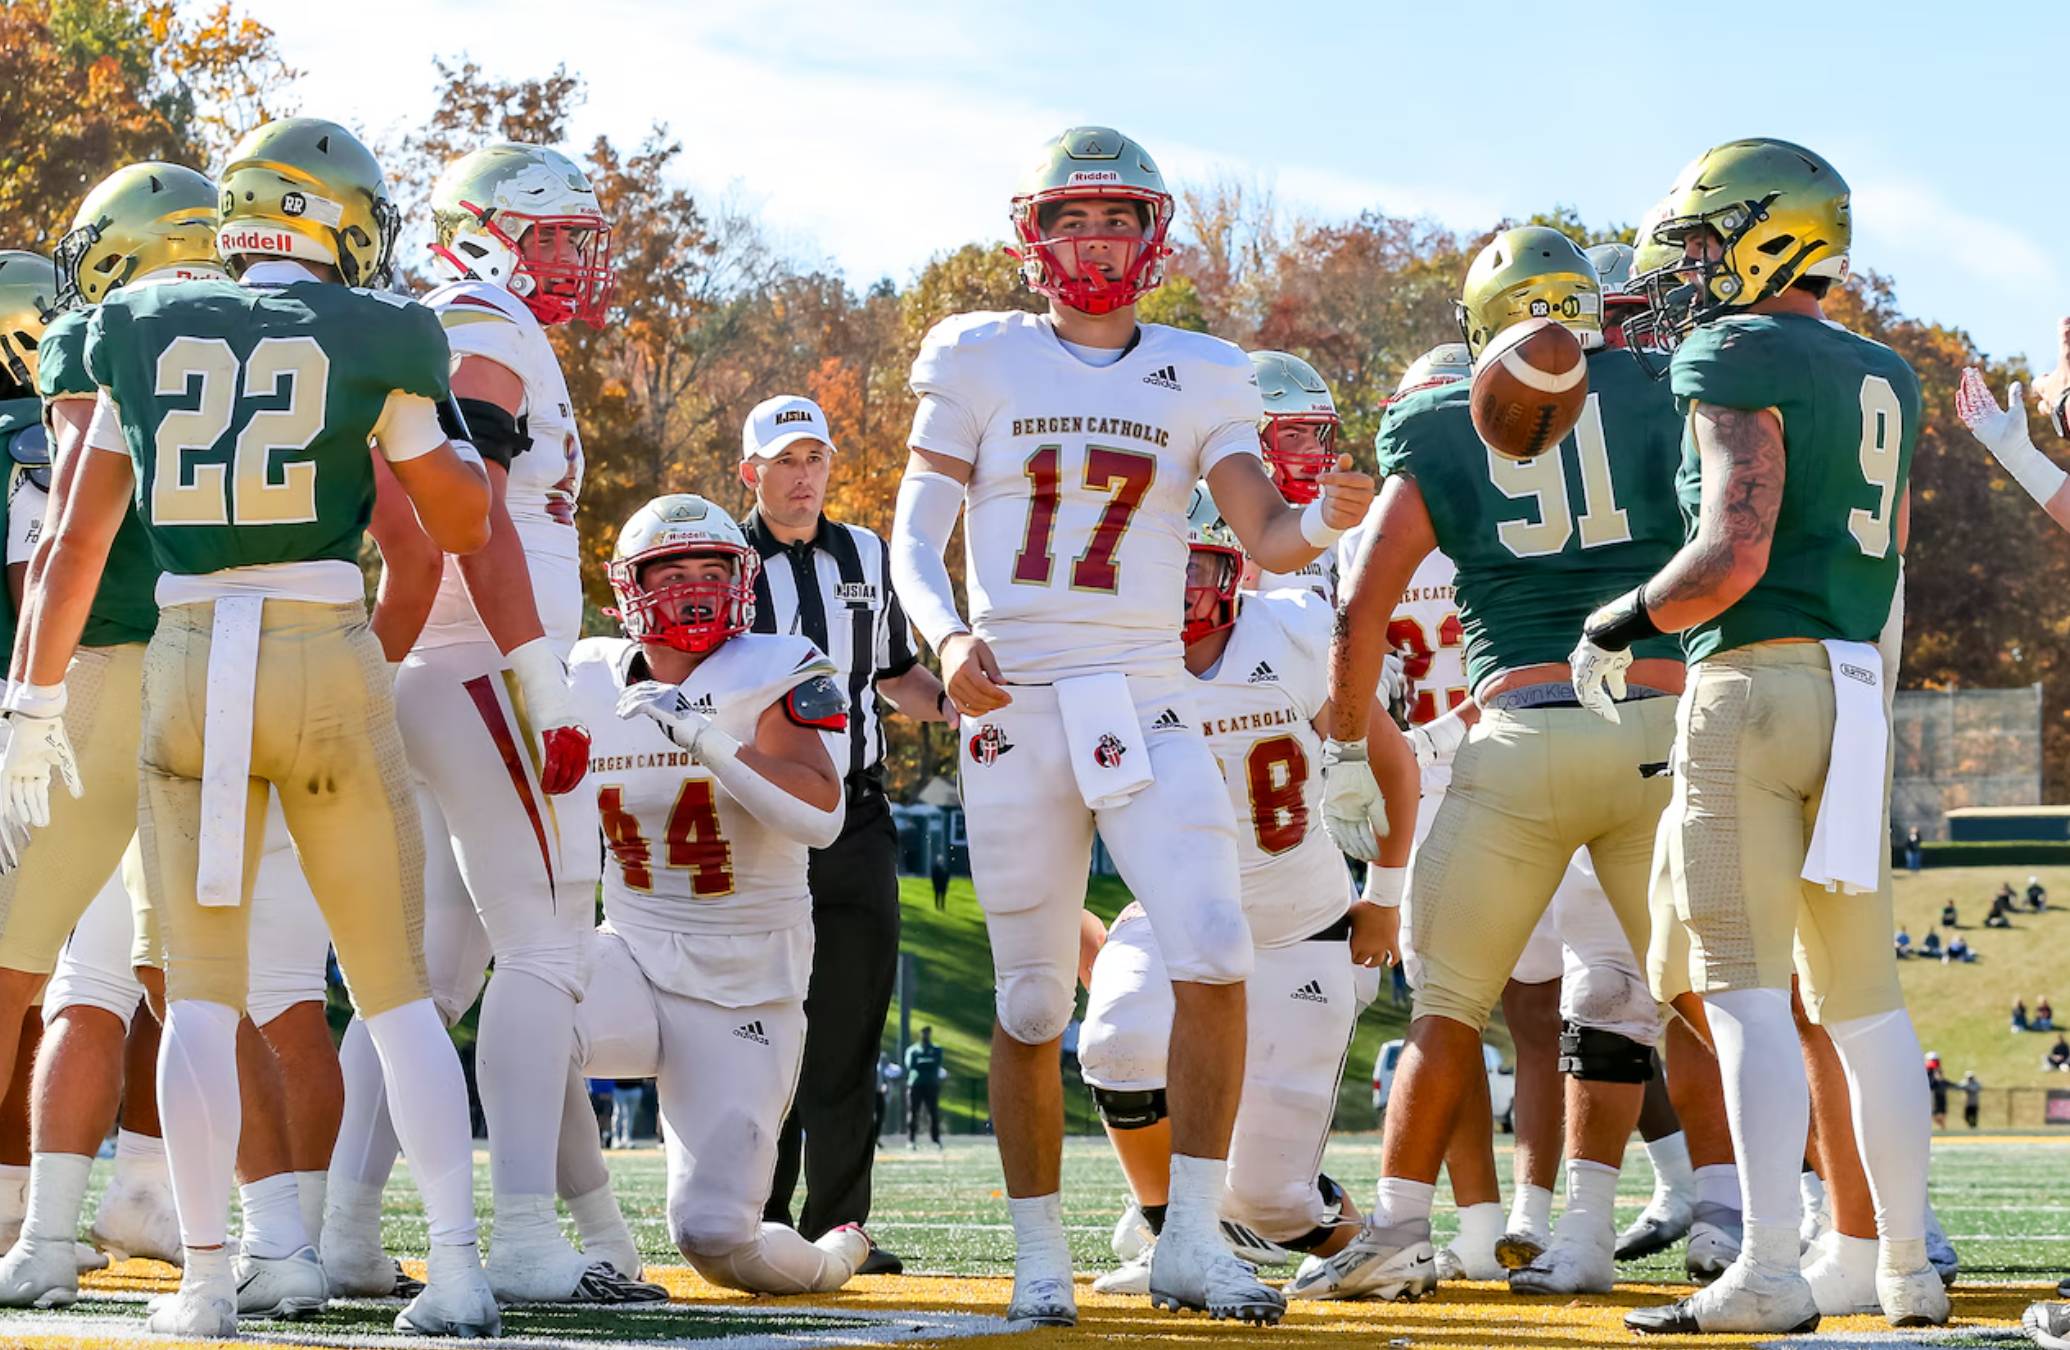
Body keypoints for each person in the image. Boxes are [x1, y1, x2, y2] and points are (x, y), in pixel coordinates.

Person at [0, 117, 501, 1337]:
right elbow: (456, 525)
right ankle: (444, 1268)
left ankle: (203, 1278)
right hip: (323, 654)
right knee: (377, 995)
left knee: (173, 994)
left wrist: (30, 701)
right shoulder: (382, 329)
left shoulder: (127, 331)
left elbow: (70, 547)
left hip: (178, 670)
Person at [889, 124, 1371, 1327]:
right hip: (1021, 694)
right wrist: (948, 638)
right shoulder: (981, 354)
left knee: (1213, 946)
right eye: (1074, 219)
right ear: (1034, 232)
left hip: (1148, 690)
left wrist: (1328, 524)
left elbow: (1264, 540)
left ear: (1153, 236)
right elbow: (913, 533)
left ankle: (1190, 1243)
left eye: (1116, 220)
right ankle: (1040, 1256)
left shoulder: (1207, 370)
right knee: (1033, 1003)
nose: (1094, 241)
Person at [1574, 138, 1945, 1332]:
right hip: (1852, 681)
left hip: (1753, 683)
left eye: (1701, 239)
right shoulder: (1886, 366)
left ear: (1765, 233)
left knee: (1741, 990)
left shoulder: (1732, 347)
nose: (1687, 266)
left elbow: (1735, 545)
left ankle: (1772, 1268)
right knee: (1864, 1001)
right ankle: (1897, 1268)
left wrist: (1620, 618)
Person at [1313, 226, 1686, 1304]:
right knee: (1702, 998)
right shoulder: (1665, 389)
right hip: (1657, 723)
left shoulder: (1435, 422)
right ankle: (1725, 1218)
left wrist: (1347, 741)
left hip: (1519, 726)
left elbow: (1361, 605)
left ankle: (1393, 1228)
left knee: (1447, 1004)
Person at [321, 140, 655, 1307]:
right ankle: (519, 1232)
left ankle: (345, 1228)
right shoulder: (487, 329)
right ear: (483, 228)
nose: (571, 258)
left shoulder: (464, 318)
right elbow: (469, 518)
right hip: (485, 674)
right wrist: (534, 675)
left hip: (448, 675)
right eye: (551, 234)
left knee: (433, 971)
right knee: (548, 948)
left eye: (576, 236)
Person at [1079, 487, 1414, 1296]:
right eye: (1163, 569)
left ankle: (1373, 1244)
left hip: (1298, 925)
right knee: (1116, 1044)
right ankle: (1172, 1236)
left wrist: (1387, 895)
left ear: (1235, 572)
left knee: (1266, 1199)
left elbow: (1392, 762)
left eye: (1196, 567)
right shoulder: (1107, 661)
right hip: (1177, 915)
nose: (1179, 588)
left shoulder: (1295, 632)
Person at [564, 492, 871, 1297]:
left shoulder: (778, 663)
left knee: (716, 1239)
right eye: (672, 571)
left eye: (712, 569)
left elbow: (821, 815)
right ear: (630, 587)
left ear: (741, 580)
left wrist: (704, 736)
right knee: (533, 1015)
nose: (694, 588)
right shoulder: (585, 674)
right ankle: (598, 1242)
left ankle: (837, 1254)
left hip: (745, 988)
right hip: (630, 951)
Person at [743, 395, 951, 1276]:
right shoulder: (722, 560)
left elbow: (896, 674)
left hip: (856, 814)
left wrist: (961, 711)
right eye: (785, 460)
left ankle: (842, 1228)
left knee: (850, 1024)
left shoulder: (864, 554)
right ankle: (755, 1217)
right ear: (750, 470)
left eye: (814, 459)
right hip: (757, 819)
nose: (802, 477)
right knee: (758, 1022)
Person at [905, 1027, 945, 1149]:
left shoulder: (936, 1049)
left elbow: (936, 1063)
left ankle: (935, 1139)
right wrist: (927, 1062)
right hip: (916, 1084)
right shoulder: (913, 1050)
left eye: (927, 1033)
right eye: (924, 1033)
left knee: (933, 1113)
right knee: (913, 1112)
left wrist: (922, 1062)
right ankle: (911, 1140)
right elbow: (911, 1065)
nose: (925, 1035)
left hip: (931, 1084)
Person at [610, 1081, 644, 1149]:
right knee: (617, 1114)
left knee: (630, 1116)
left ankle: (626, 1139)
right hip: (619, 1088)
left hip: (635, 1087)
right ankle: (615, 1139)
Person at [1925, 1059, 1947, 1131]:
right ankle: (1942, 1127)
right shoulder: (1930, 1074)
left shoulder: (1935, 1075)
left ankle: (1942, 1128)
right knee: (1934, 1115)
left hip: (1939, 1097)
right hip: (1933, 1096)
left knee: (1939, 1114)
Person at [930, 845, 950, 912]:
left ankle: (942, 906)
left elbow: (947, 875)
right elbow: (933, 876)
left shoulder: (944, 868)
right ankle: (937, 906)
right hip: (937, 884)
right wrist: (934, 883)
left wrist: (947, 881)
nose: (941, 861)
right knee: (937, 895)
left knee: (943, 896)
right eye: (940, 860)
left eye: (941, 860)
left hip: (943, 884)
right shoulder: (935, 868)